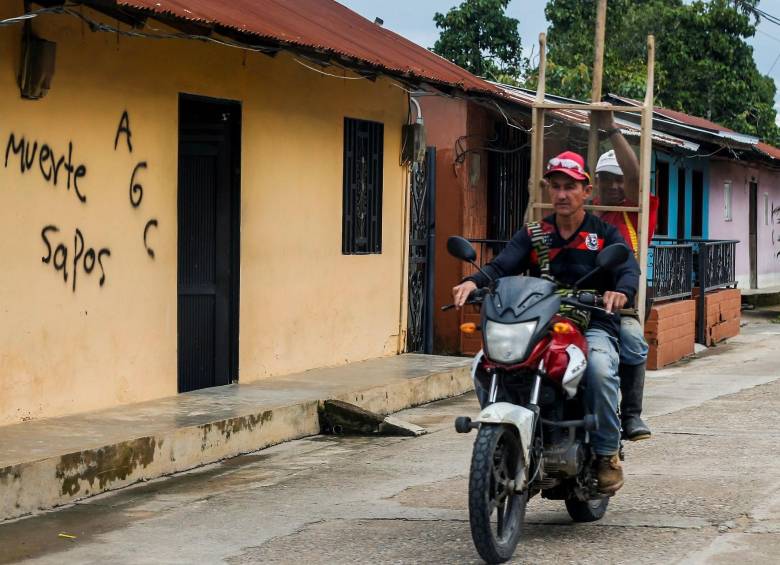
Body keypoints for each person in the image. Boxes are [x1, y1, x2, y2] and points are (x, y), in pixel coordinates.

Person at [452, 150, 640, 495]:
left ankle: (605, 454)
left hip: (592, 322)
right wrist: (474, 282)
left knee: (598, 368)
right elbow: (501, 266)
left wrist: (621, 292)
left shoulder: (604, 234)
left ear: (587, 191)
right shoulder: (535, 234)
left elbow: (627, 267)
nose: (562, 194)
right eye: (555, 186)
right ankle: (507, 437)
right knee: (485, 364)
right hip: (540, 323)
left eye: (570, 186)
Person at [593, 108, 659, 441]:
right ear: (597, 183)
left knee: (632, 339)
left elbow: (636, 179)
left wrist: (612, 131)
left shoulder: (635, 213)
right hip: (579, 298)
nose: (617, 186)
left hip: (623, 300)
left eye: (621, 179)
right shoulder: (584, 212)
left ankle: (631, 415)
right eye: (609, 179)